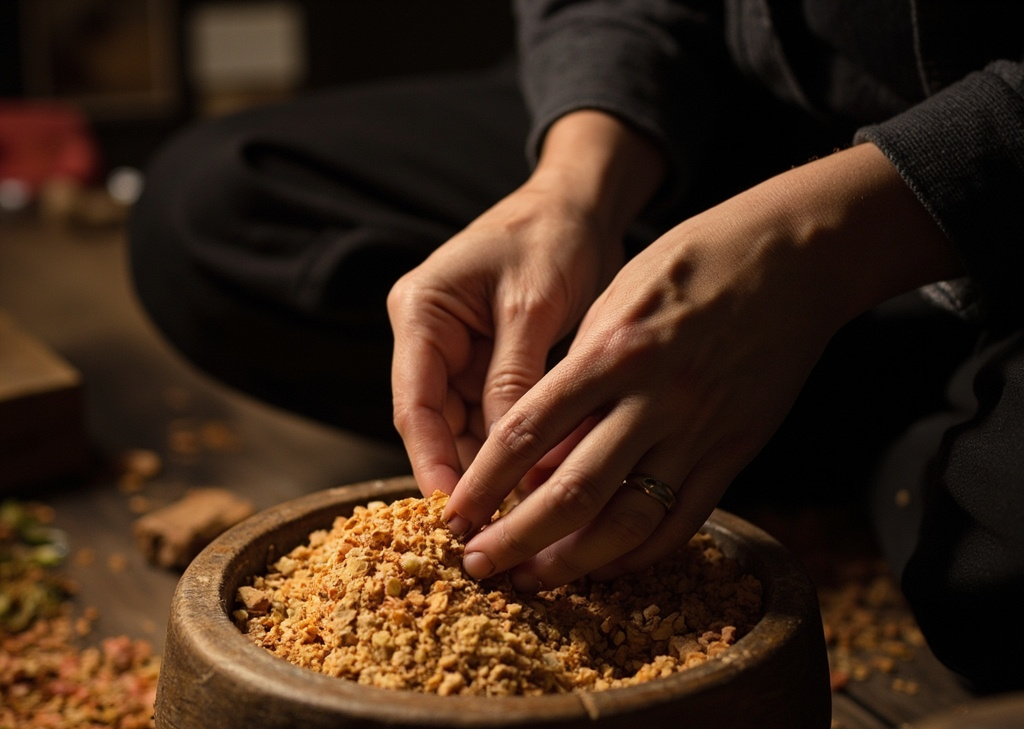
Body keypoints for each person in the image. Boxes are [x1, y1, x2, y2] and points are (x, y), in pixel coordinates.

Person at [129, 1, 1024, 692]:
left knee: (993, 594)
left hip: (975, 178)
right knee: (214, 213)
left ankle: (816, 397)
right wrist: (575, 185)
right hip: (725, 122)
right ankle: (777, 403)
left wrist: (811, 253)